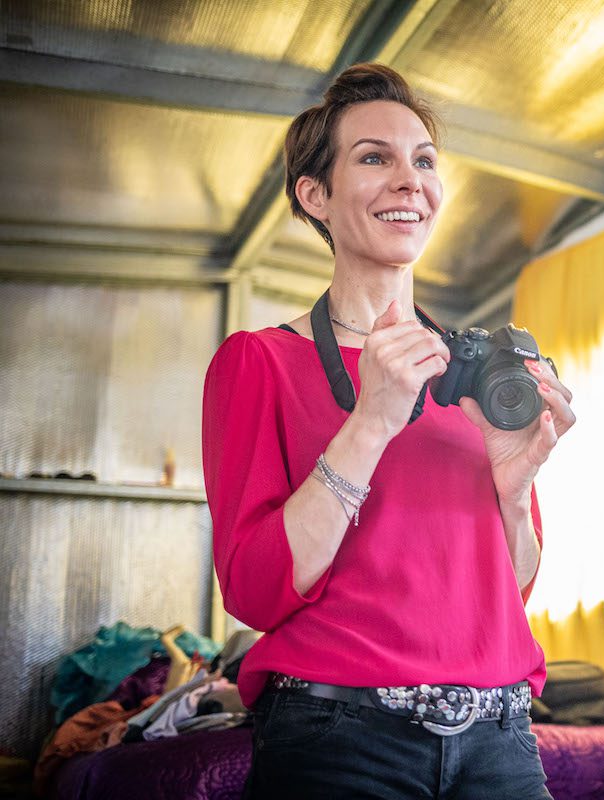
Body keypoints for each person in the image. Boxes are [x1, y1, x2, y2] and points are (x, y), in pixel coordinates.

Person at [202, 63, 575, 799]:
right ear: (316, 195)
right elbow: (252, 590)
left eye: (424, 161)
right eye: (375, 157)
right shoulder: (261, 362)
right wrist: (369, 421)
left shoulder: (476, 376)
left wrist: (514, 488)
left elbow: (513, 588)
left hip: (500, 735)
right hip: (338, 738)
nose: (411, 180)